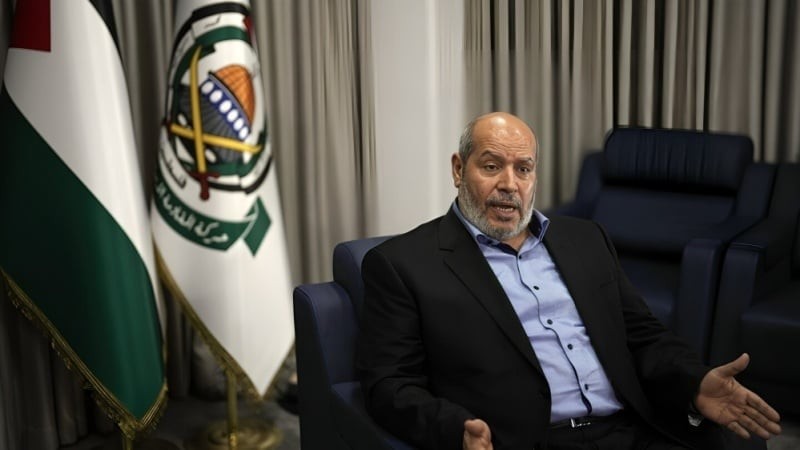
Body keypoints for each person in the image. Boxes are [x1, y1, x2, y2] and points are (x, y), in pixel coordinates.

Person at [356, 112, 782, 450]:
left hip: (632, 428)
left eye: (523, 169)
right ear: (458, 169)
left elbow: (643, 337)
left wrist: (694, 382)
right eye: (491, 166)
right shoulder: (402, 264)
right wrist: (455, 429)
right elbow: (391, 386)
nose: (509, 184)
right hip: (531, 439)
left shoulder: (586, 238)